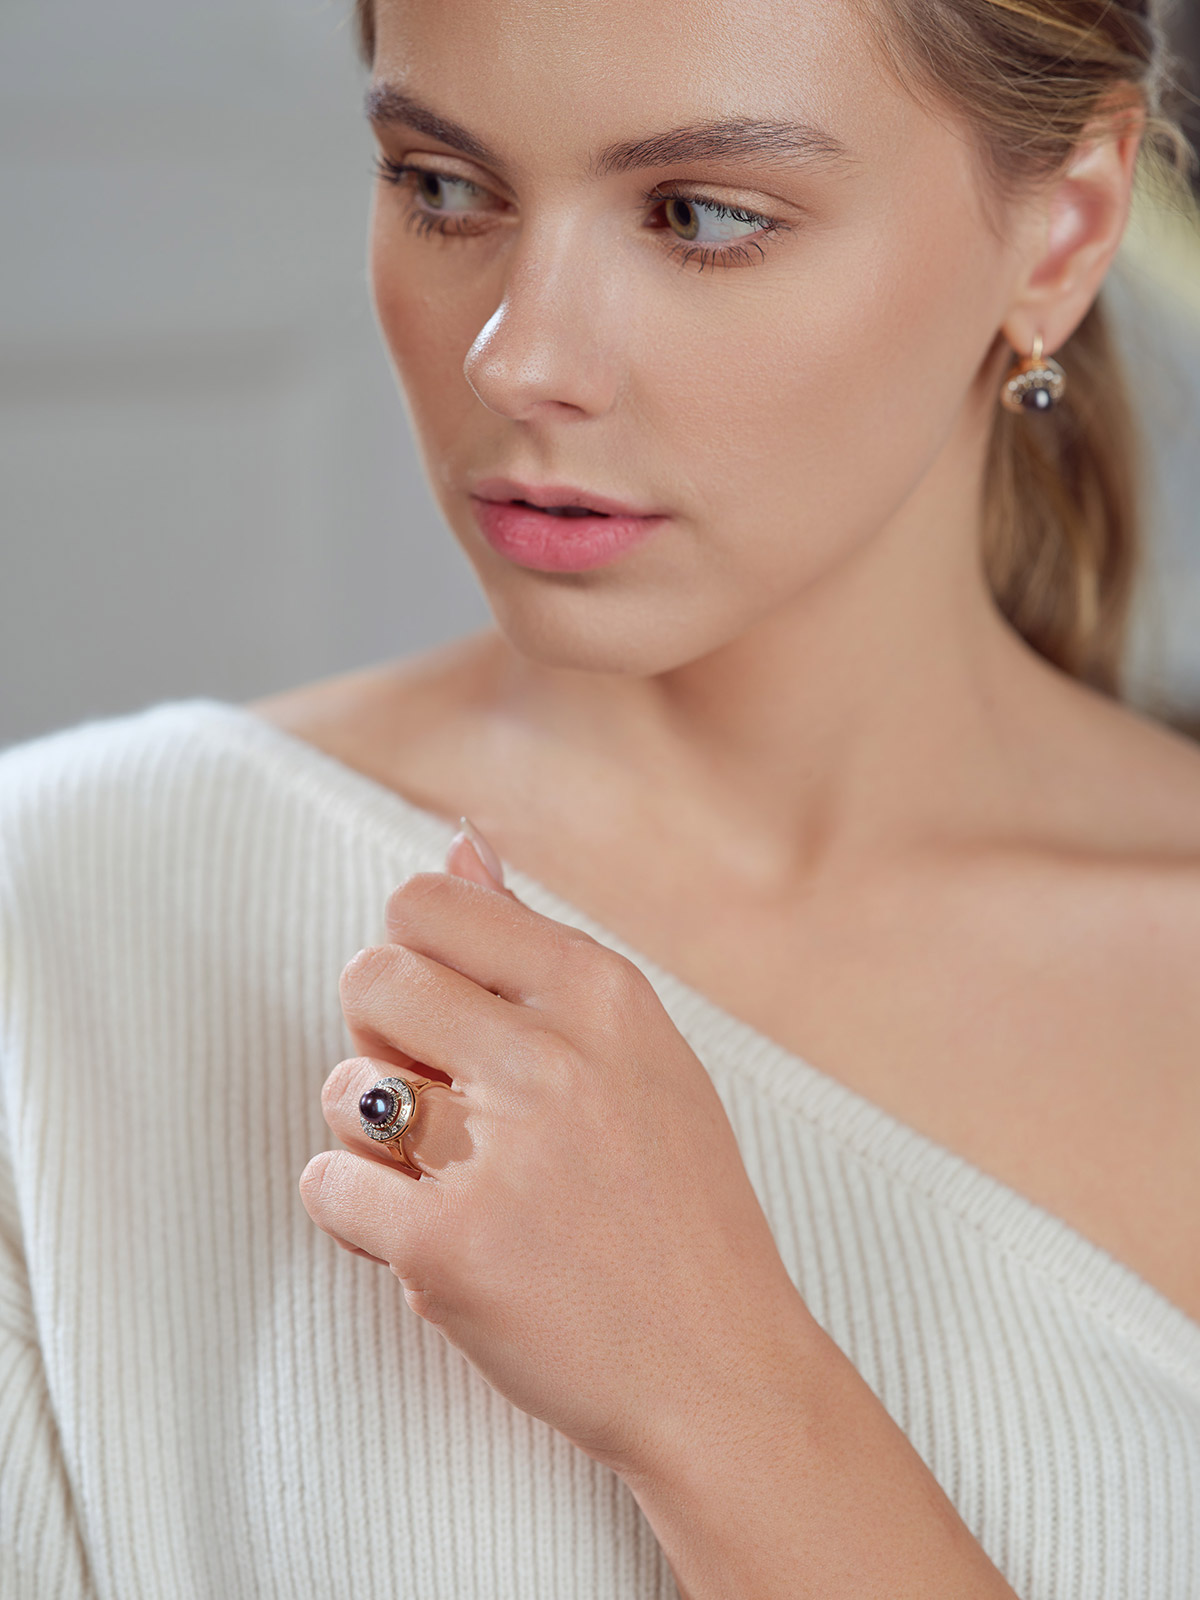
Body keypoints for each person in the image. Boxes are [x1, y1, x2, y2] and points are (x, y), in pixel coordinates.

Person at [2, 0, 1198, 1595]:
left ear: (1062, 231)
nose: (520, 358)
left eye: (702, 215)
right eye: (443, 185)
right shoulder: (54, 928)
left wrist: (720, 1395)